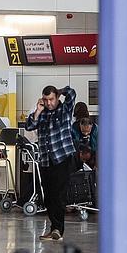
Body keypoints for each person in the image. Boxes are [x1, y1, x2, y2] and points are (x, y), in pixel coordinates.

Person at [26, 85, 76, 241]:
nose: (48, 103)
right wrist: (38, 110)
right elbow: (29, 125)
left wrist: (60, 91)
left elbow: (72, 93)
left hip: (62, 158)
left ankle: (57, 229)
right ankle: (54, 227)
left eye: (51, 99)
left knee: (58, 195)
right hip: (46, 160)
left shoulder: (65, 109)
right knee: (48, 197)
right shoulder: (42, 113)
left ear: (56, 98)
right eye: (46, 100)